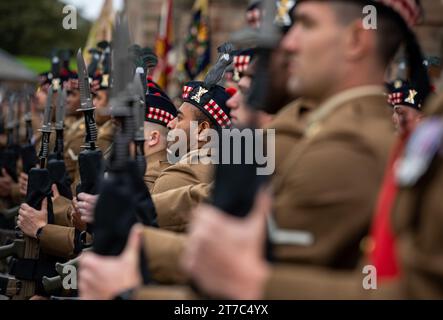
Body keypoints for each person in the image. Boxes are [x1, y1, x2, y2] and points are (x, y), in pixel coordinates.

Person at [183, 0, 432, 299]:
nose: (288, 43)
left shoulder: (351, 148)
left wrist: (137, 251)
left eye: (308, 24)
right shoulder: (323, 128)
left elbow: (241, 266)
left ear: (355, 40)